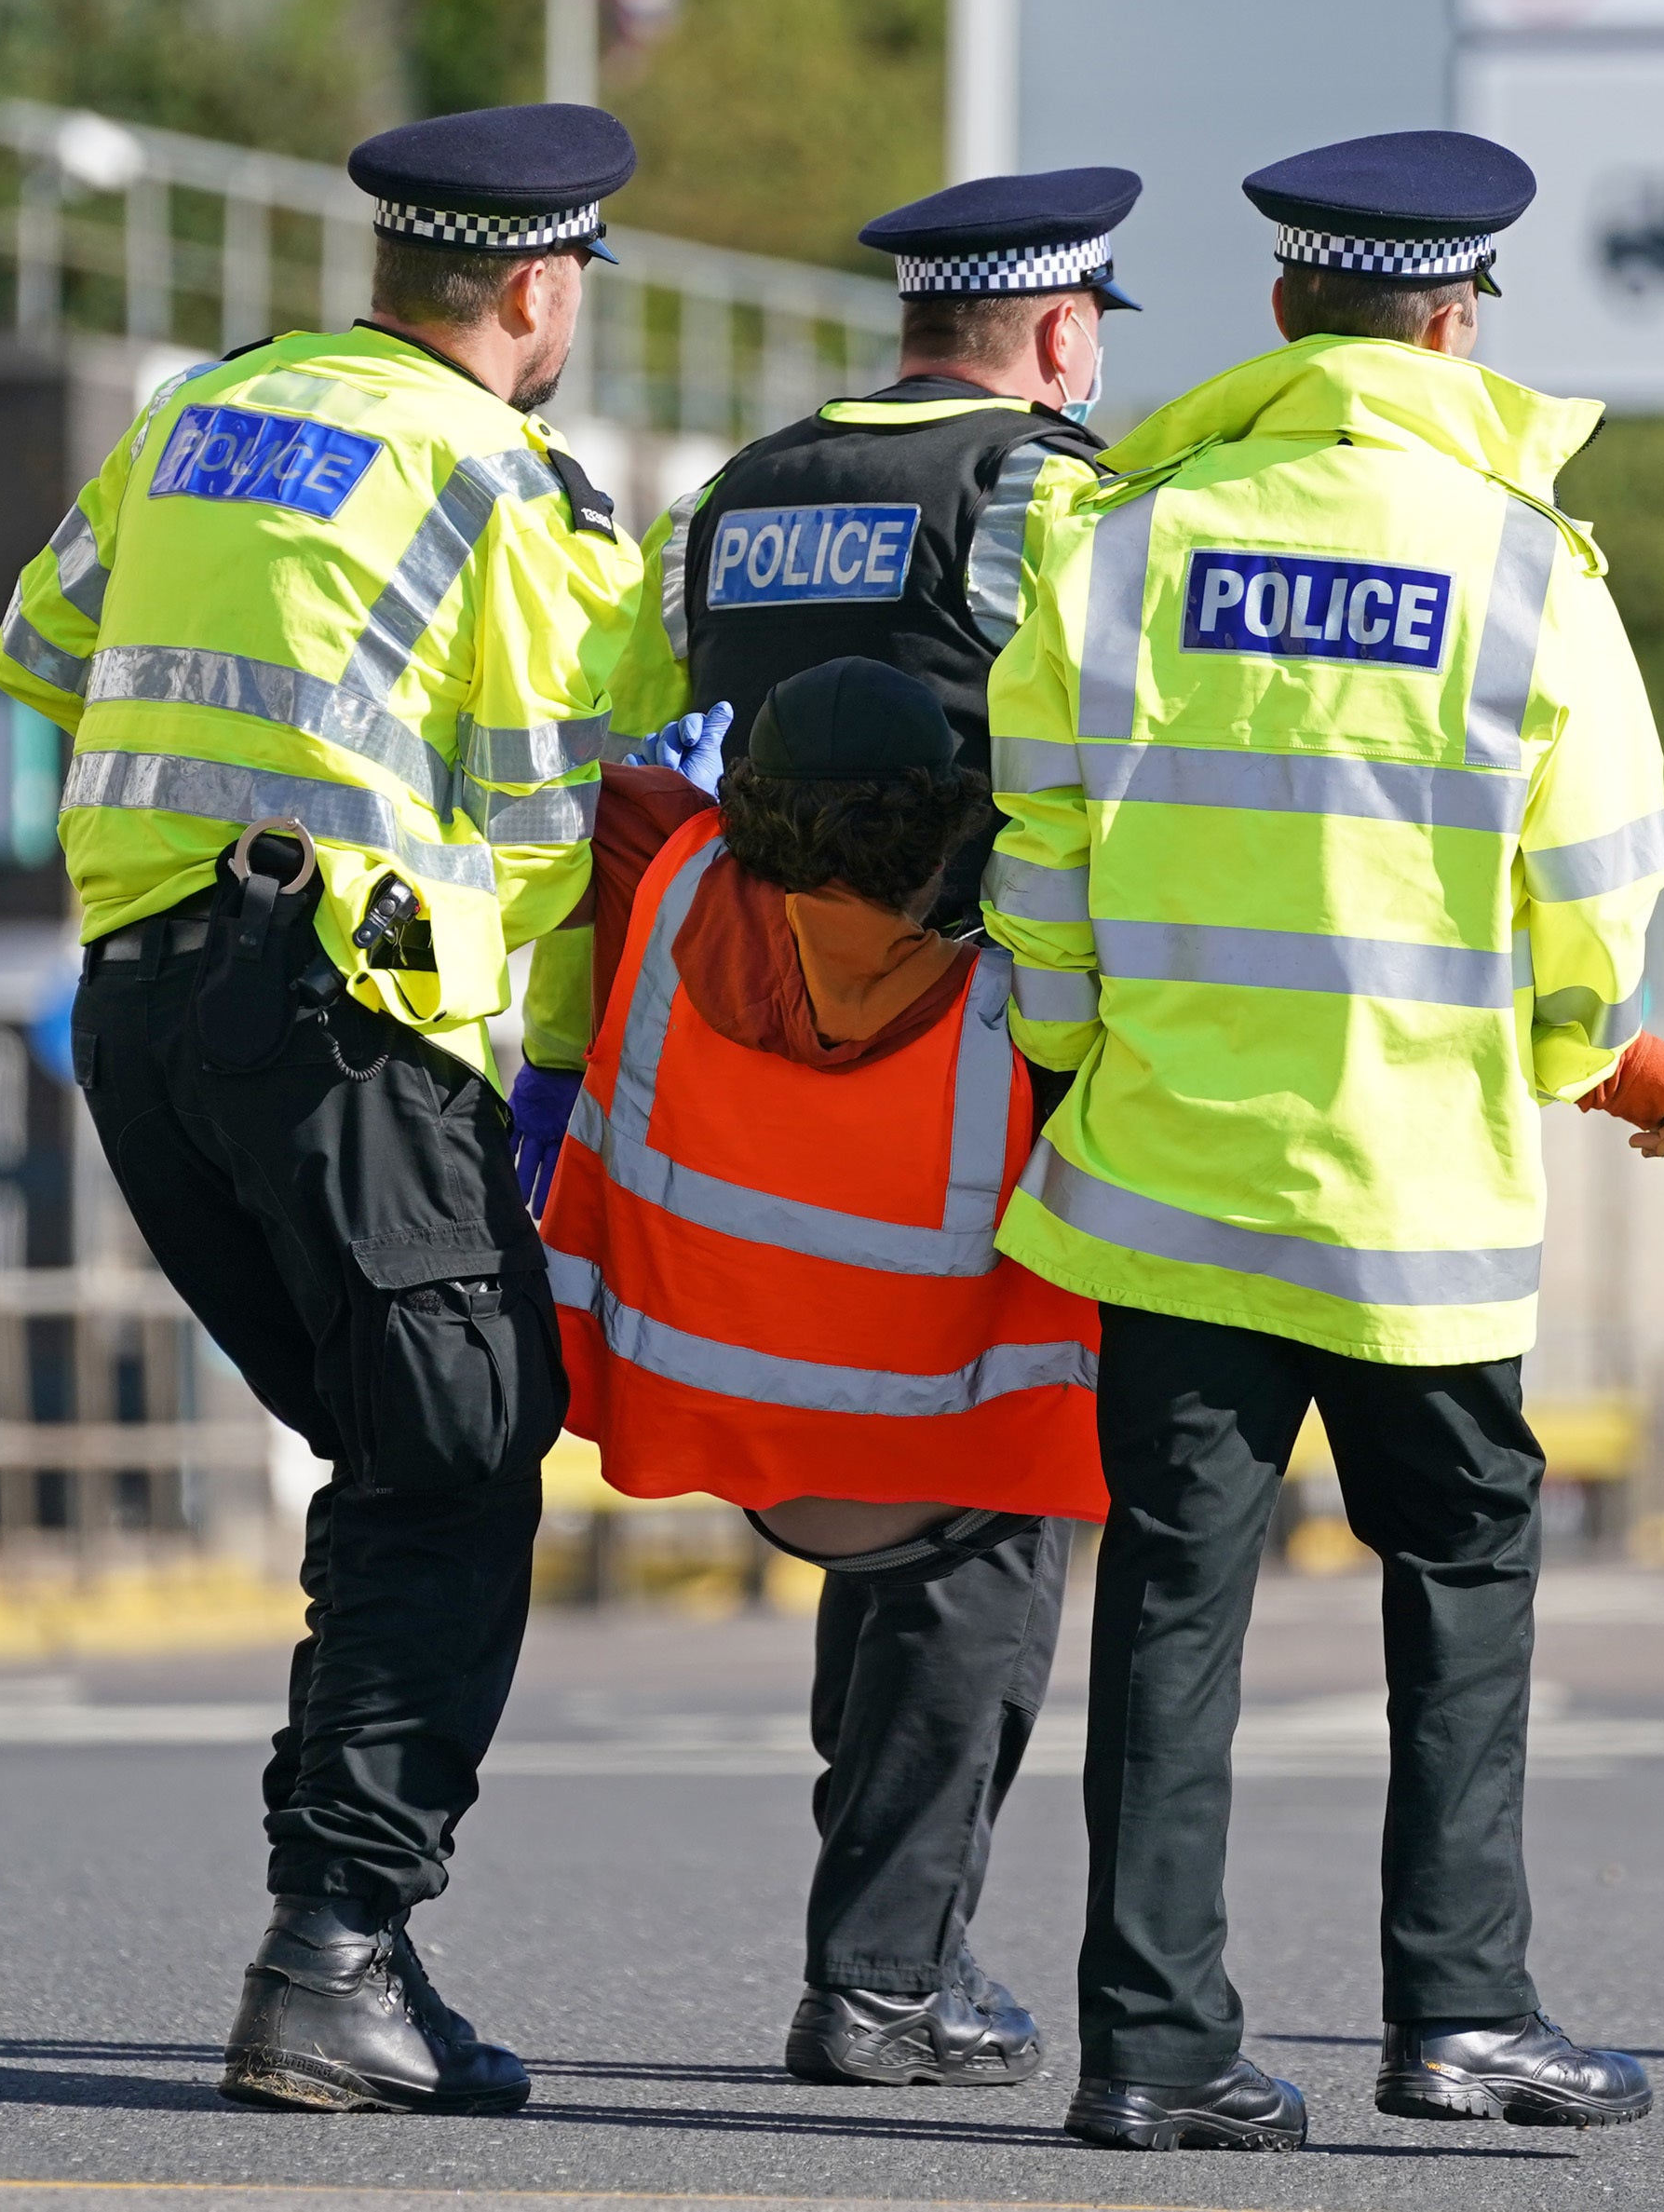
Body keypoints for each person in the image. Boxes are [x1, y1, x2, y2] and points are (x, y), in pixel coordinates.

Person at [982, 130, 1664, 2154]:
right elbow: (1593, 894)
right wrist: (1583, 1060)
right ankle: (1461, 2010)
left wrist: (1074, 1059)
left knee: (1172, 1605)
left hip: (1172, 1183)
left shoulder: (1117, 540)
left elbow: (1035, 865)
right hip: (1413, 1207)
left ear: (1285, 312)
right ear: (1455, 321)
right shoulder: (1520, 566)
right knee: (1459, 1569)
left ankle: (1147, 2040)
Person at [0, 103, 649, 2118]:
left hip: (143, 1002)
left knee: (398, 1450)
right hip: (351, 1016)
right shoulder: (509, 478)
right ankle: (332, 1949)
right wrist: (538, 1080)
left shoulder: (204, 409)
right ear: (537, 289)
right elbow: (549, 817)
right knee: (453, 1448)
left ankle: (351, 1945)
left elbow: (37, 650)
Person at [512, 175, 1142, 2089]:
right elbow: (1119, 763)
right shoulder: (1051, 498)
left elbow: (625, 754)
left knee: (875, 1492)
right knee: (985, 1498)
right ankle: (881, 1974)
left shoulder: (738, 497)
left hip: (730, 1043)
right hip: (969, 1055)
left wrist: (565, 1074)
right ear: (1056, 336)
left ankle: (880, 1946)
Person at [538, 655, 1103, 2084]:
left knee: (893, 1624)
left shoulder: (666, 879)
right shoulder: (1014, 984)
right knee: (970, 1615)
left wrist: (687, 788)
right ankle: (883, 1982)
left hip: (723, 1401)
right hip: (943, 1428)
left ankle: (909, 1953)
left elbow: (586, 784)